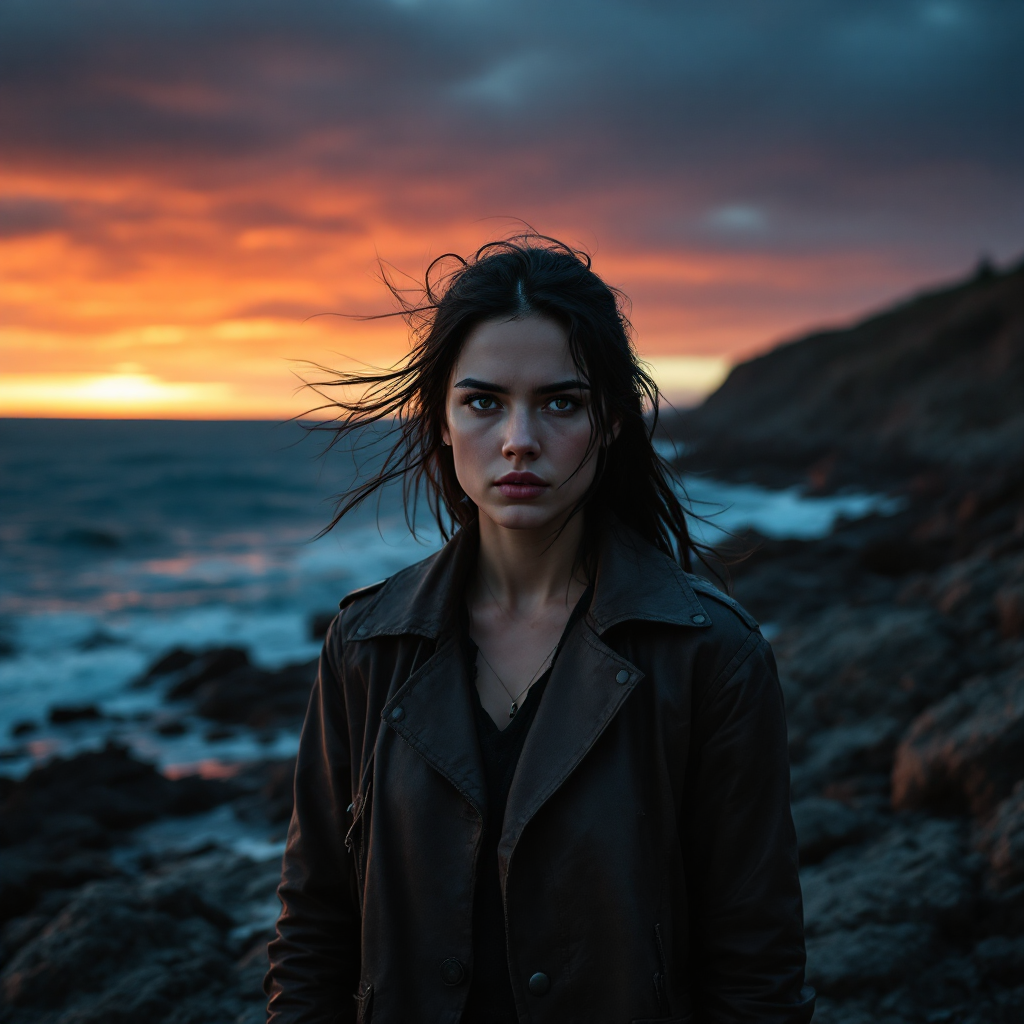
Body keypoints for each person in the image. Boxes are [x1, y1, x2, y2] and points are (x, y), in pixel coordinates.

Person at [265, 236, 814, 1024]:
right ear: (441, 420)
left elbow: (756, 964)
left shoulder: (709, 655)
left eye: (561, 402)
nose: (519, 438)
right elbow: (314, 931)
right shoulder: (365, 647)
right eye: (483, 402)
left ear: (613, 423)